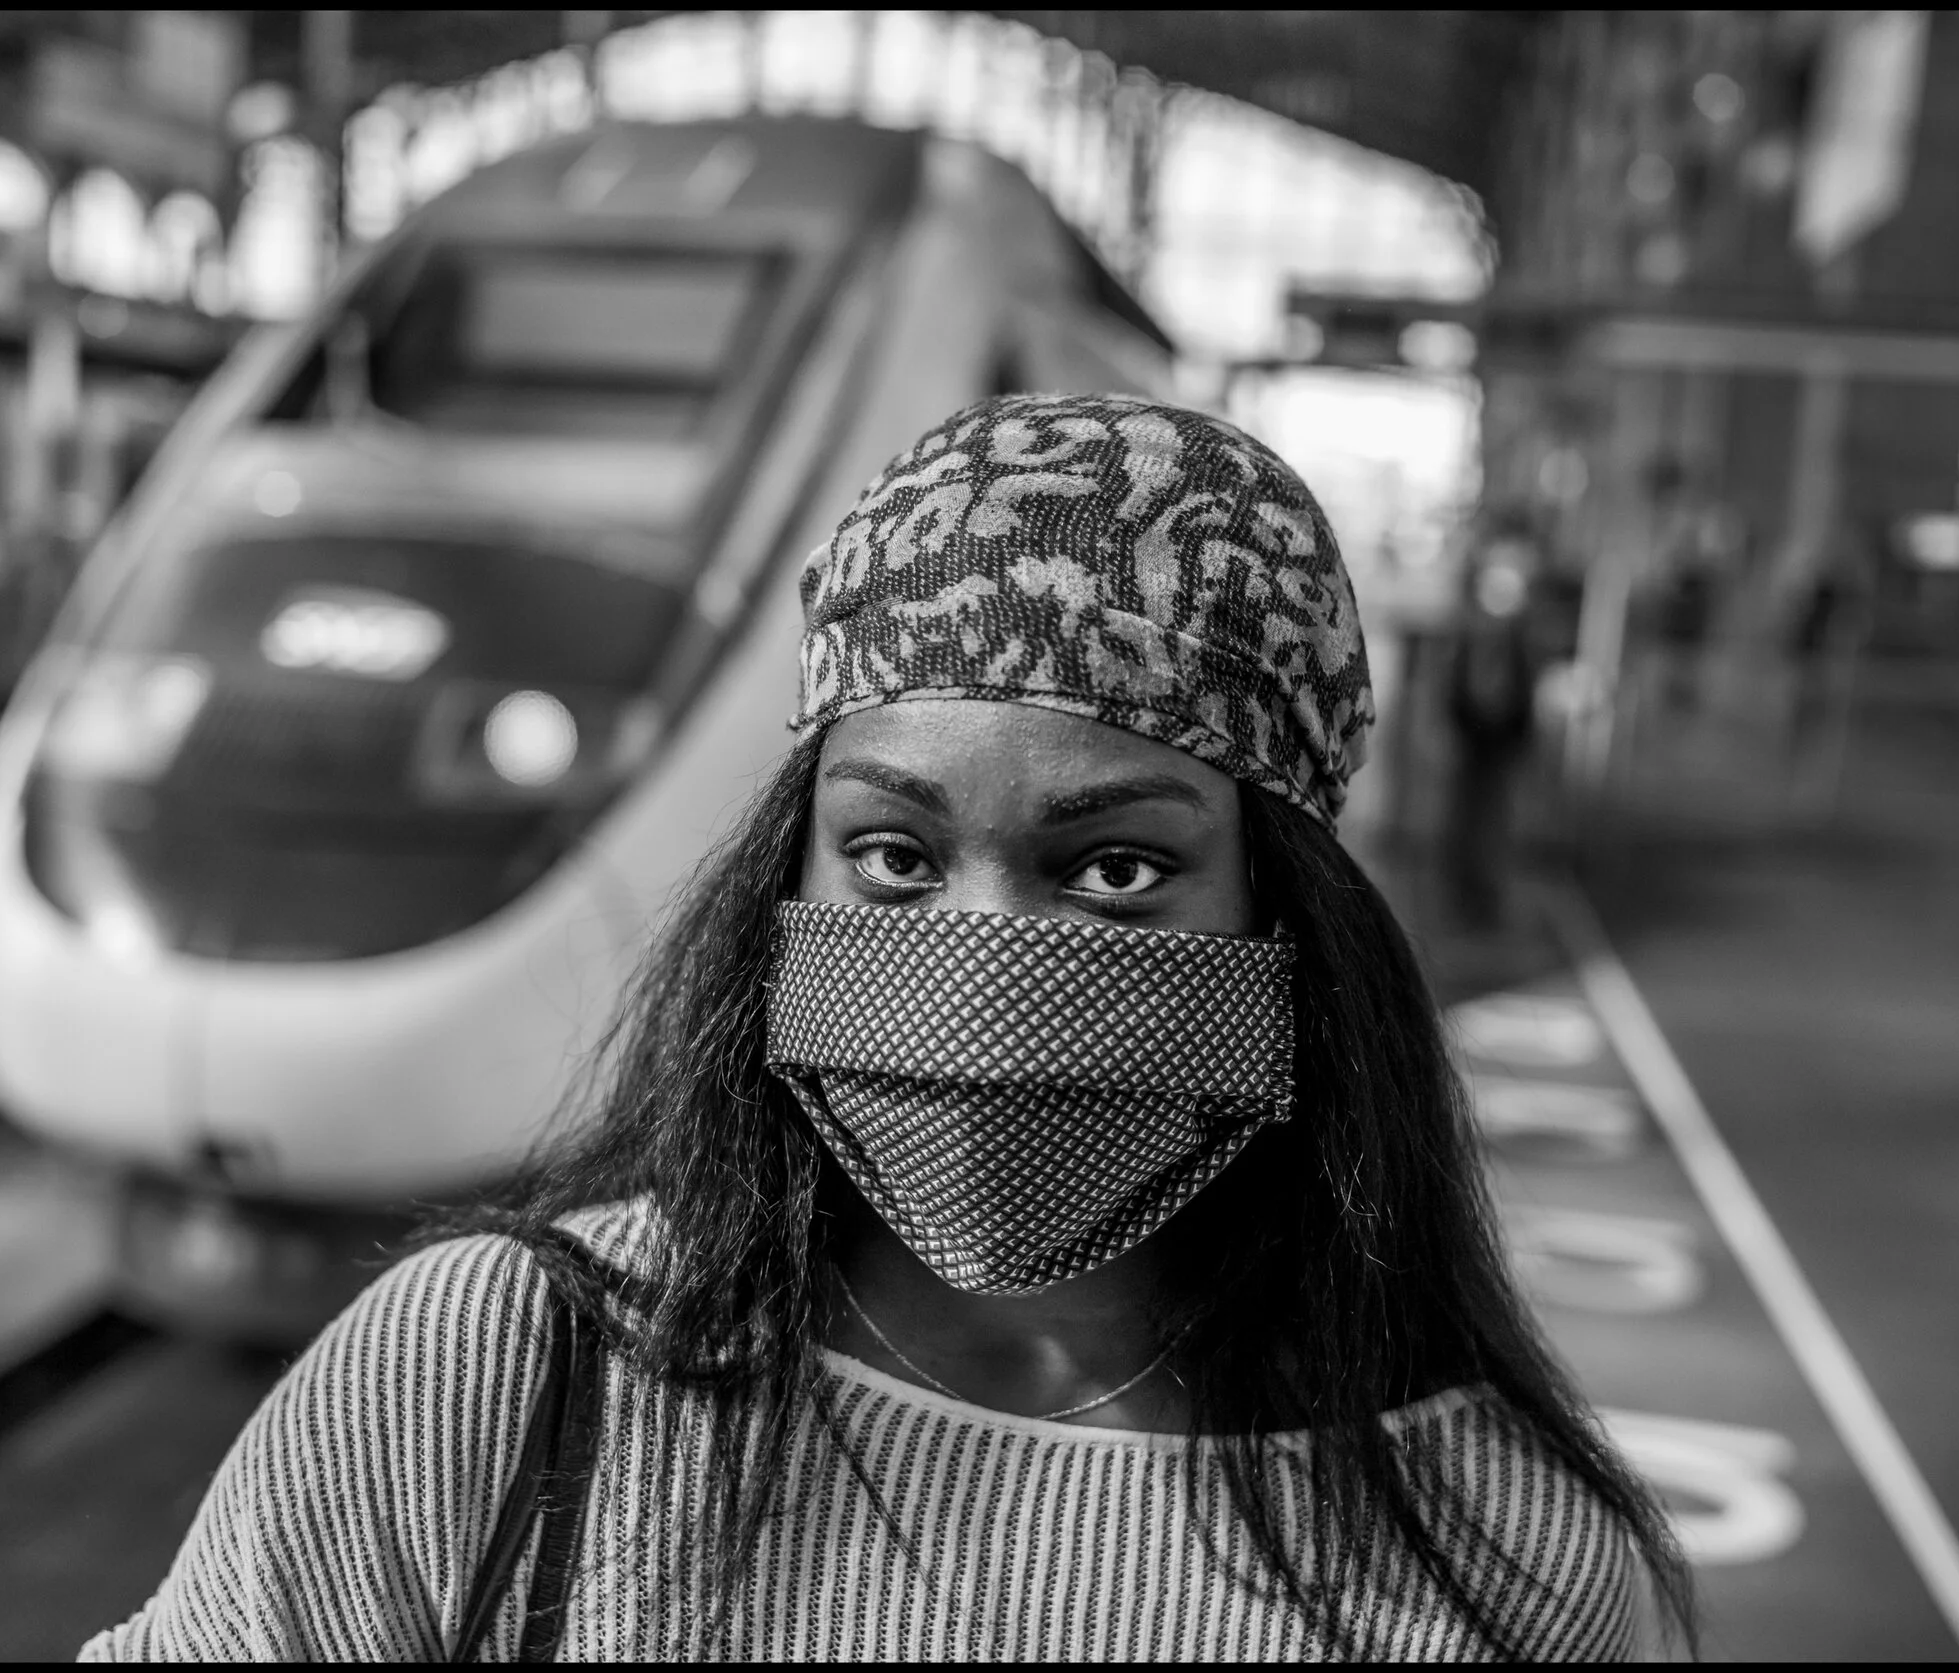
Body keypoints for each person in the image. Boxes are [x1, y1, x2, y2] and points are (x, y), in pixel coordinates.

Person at [82, 395, 1693, 1661]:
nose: (982, 965)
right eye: (896, 857)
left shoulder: (1511, 1563)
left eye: (1114, 866)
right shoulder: (496, 1386)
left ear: (1289, 929)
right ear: (790, 876)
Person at [1443, 533, 1545, 932]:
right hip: (1477, 740)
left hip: (1494, 743)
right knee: (1472, 816)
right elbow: (1458, 690)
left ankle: (1481, 894)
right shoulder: (1477, 636)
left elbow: (1521, 695)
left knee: (1489, 819)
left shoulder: (1508, 640)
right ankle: (1468, 892)